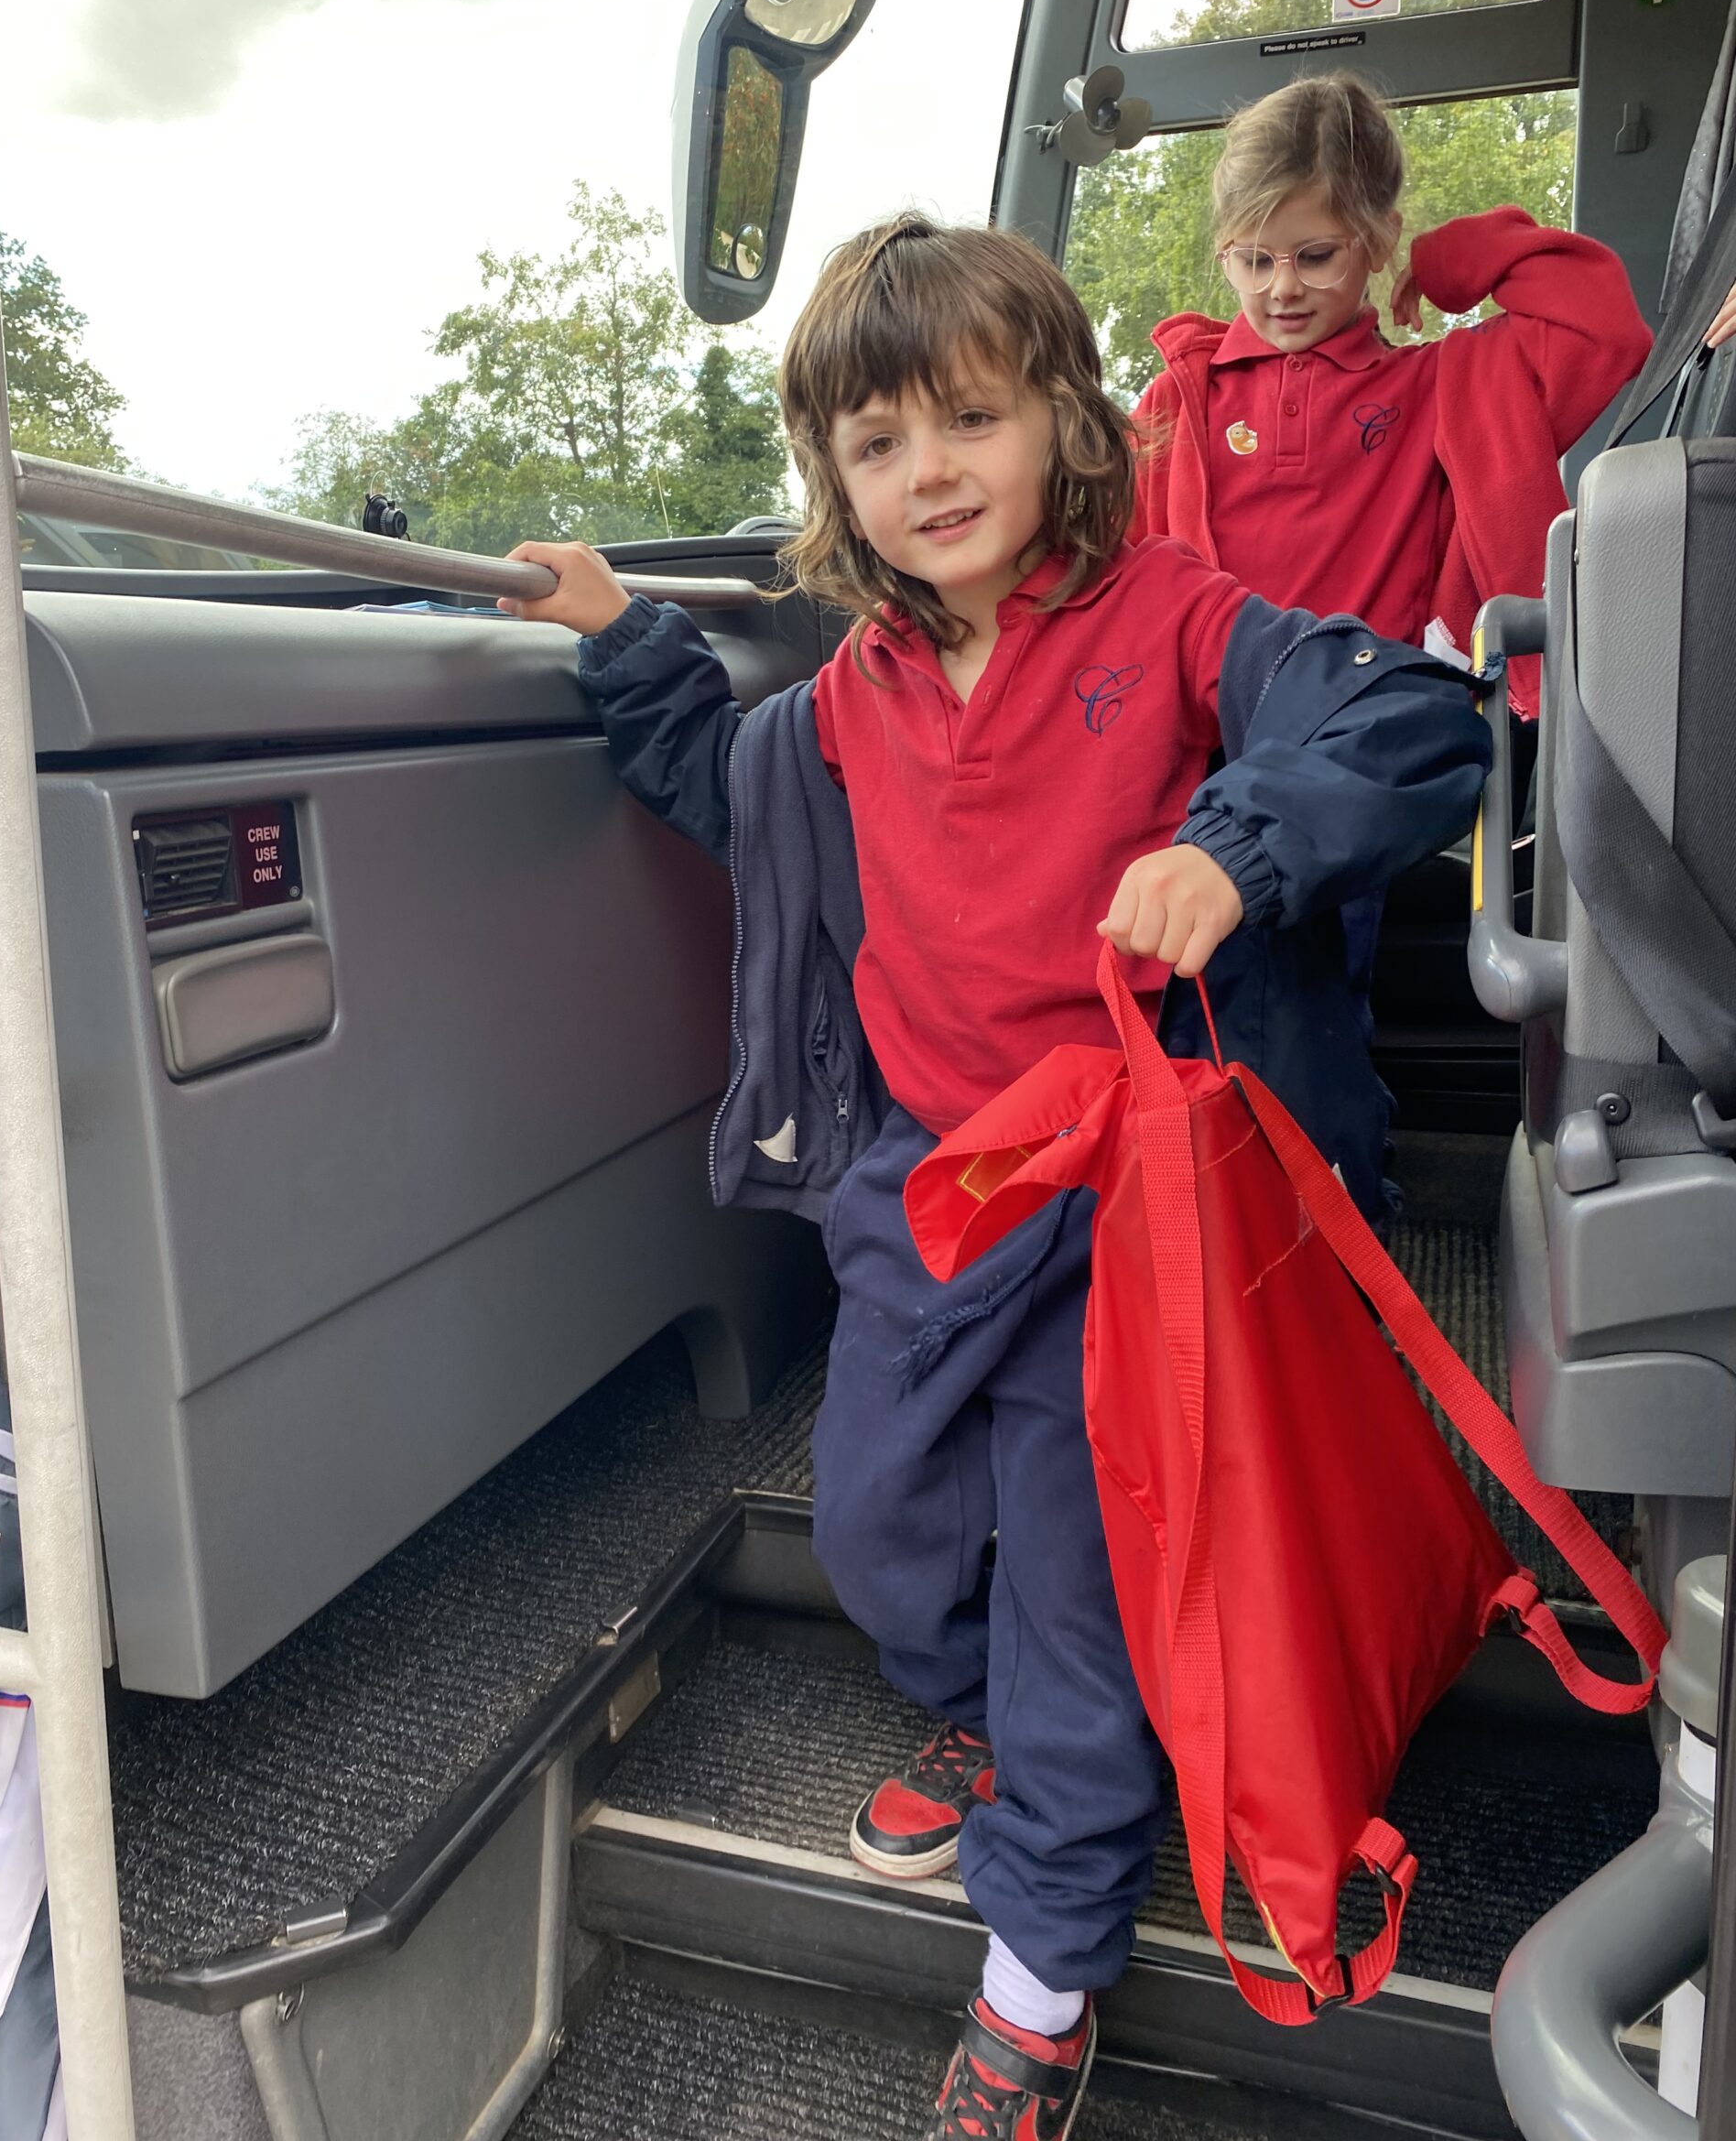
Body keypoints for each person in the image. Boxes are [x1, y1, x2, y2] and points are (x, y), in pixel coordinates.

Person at [498, 214, 1490, 2140]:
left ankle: (1040, 1973)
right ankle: (983, 1704)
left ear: (1066, 421)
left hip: (1133, 1207)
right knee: (875, 1520)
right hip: (927, 1192)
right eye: (879, 441)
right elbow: (724, 784)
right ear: (836, 482)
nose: (929, 468)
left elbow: (1407, 714)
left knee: (1082, 1580)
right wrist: (623, 634)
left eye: (972, 414)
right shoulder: (851, 701)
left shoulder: (1176, 618)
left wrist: (1240, 843)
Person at [1132, 71, 1652, 709]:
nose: (1282, 288)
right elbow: (1099, 581)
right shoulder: (1177, 402)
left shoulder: (1440, 385)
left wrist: (1445, 263)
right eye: (1255, 261)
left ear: (1378, 241)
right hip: (1213, 751)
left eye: (1317, 256)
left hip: (1382, 733)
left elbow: (1604, 327)